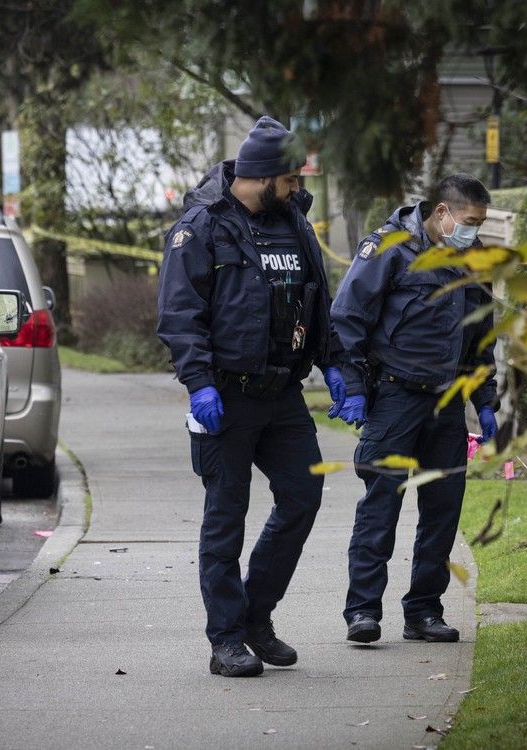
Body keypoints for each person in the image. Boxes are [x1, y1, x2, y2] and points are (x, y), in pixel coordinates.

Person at [157, 116, 346, 677]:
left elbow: (316, 299)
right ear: (262, 175)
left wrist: (334, 366)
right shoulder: (202, 227)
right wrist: (199, 383)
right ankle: (226, 640)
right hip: (227, 395)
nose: (296, 190)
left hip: (283, 394)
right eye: (289, 180)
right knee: (226, 516)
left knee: (303, 497)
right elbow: (179, 313)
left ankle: (255, 616)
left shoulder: (295, 224)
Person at [329, 174, 499, 644]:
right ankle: (362, 611)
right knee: (380, 508)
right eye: (469, 221)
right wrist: (355, 387)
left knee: (442, 514)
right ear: (441, 213)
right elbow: (347, 321)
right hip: (394, 397)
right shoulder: (389, 249)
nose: (474, 231)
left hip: (446, 405)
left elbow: (480, 340)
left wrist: (485, 403)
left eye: (480, 224)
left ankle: (424, 612)